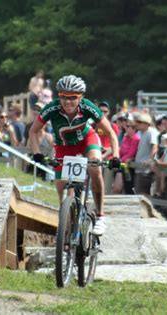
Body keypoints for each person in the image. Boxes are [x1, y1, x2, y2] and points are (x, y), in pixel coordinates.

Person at [29, 75, 120, 235]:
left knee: (95, 168)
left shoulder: (88, 107)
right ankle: (67, 229)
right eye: (63, 97)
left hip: (86, 140)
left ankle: (100, 216)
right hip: (64, 146)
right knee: (62, 190)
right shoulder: (52, 108)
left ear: (81, 97)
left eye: (73, 98)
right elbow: (33, 130)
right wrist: (36, 153)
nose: (68, 102)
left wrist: (116, 157)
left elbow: (111, 133)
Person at [133, 113, 159, 196]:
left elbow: (154, 147)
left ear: (146, 123)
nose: (136, 124)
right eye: (136, 121)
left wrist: (150, 160)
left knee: (143, 195)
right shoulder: (141, 133)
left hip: (146, 169)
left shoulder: (152, 132)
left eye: (139, 122)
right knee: (139, 193)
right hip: (140, 167)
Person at [112, 117, 139, 194]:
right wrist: (117, 159)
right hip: (122, 164)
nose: (125, 128)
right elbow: (121, 150)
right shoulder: (125, 137)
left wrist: (120, 161)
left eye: (128, 126)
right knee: (118, 188)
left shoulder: (135, 139)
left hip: (127, 167)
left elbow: (131, 153)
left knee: (122, 188)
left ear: (134, 129)